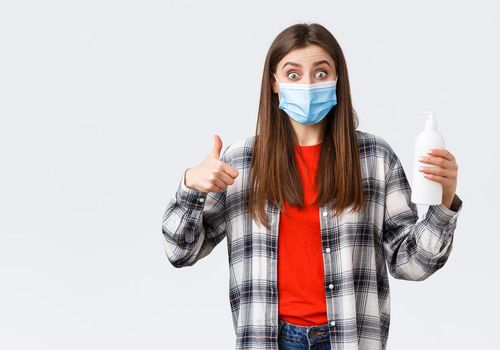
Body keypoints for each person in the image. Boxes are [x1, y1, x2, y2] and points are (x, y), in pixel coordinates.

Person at [161, 22, 463, 350]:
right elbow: (181, 252)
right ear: (274, 83)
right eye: (293, 74)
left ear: (337, 81)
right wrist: (191, 185)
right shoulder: (242, 162)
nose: (307, 84)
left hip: (348, 337)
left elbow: (413, 264)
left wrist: (443, 202)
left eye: (320, 73)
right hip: (269, 338)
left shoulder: (375, 159)